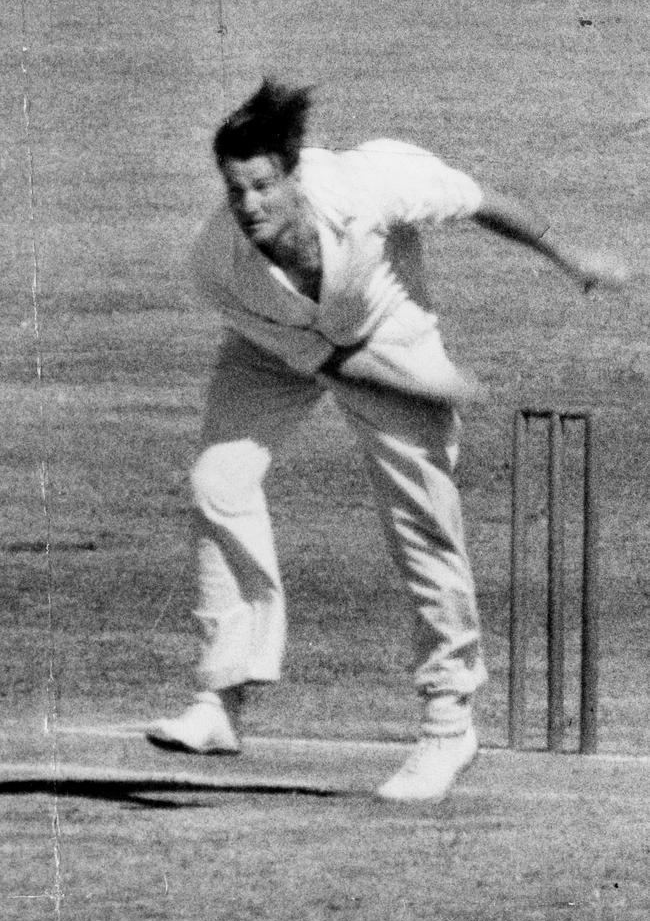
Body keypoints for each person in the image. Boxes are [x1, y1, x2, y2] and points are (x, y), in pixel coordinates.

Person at [146, 78, 626, 801]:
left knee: (423, 526)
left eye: (263, 187)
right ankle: (223, 696)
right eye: (235, 190)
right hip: (278, 347)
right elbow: (328, 360)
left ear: (294, 175)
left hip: (386, 323)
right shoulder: (218, 263)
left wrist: (569, 259)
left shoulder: (375, 184)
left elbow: (482, 204)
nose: (248, 207)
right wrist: (430, 387)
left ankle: (447, 722)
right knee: (220, 481)